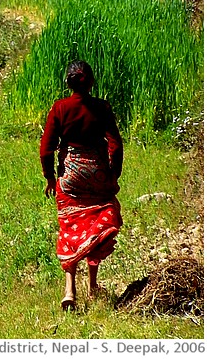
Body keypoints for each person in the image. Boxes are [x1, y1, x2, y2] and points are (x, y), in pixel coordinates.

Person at [39, 60, 124, 311]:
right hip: (97, 174)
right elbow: (116, 146)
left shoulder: (60, 108)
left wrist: (50, 178)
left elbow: (46, 149)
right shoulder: (101, 107)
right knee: (96, 222)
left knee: (70, 225)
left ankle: (69, 290)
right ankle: (93, 285)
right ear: (92, 81)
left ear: (68, 83)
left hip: (71, 175)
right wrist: (112, 176)